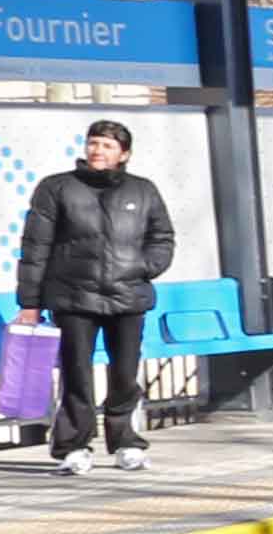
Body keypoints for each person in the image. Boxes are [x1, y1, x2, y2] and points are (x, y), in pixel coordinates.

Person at [13, 116, 176, 477]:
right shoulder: (56, 188)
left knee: (125, 374)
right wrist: (29, 303)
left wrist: (144, 266)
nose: (97, 150)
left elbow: (162, 237)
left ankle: (127, 443)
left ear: (124, 153)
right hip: (73, 298)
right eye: (93, 143)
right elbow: (35, 246)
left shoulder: (143, 190)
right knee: (76, 374)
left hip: (128, 296)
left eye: (107, 145)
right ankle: (74, 446)